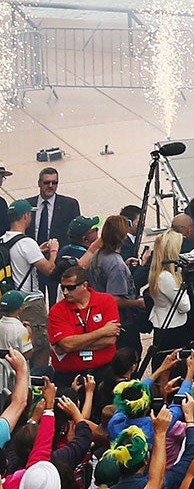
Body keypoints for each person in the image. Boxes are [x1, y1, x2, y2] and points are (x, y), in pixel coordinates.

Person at [45, 260, 120, 397]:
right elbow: (66, 345)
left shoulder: (106, 301)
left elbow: (110, 340)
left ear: (84, 285)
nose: (66, 292)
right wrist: (102, 332)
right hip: (69, 376)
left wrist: (75, 344)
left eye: (71, 288)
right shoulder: (57, 310)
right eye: (63, 288)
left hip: (102, 371)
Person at [23, 168, 79, 300]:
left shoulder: (69, 204)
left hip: (59, 263)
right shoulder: (27, 205)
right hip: (34, 260)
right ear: (39, 183)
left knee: (57, 300)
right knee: (36, 300)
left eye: (54, 183)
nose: (50, 186)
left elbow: (75, 234)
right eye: (47, 182)